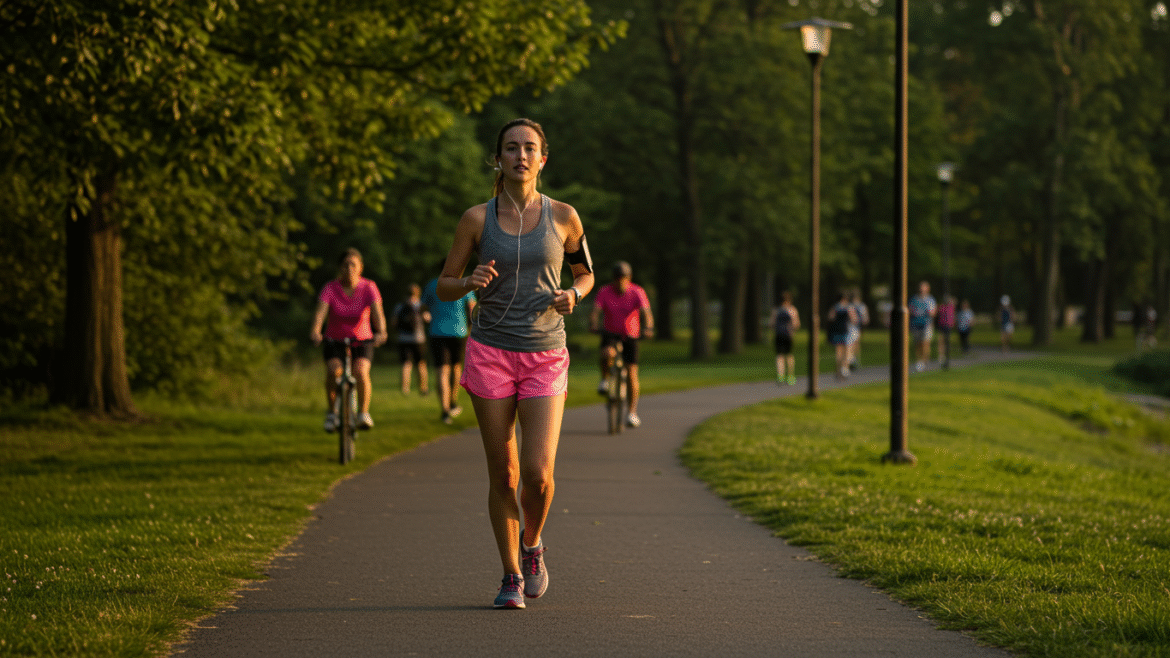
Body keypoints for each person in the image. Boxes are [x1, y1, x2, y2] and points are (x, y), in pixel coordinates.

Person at [435, 118, 595, 610]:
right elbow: (443, 283)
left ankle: (532, 545)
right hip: (491, 353)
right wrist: (469, 282)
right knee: (503, 475)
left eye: (530, 148)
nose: (520, 155)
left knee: (539, 475)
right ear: (498, 158)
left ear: (542, 158)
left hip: (546, 353)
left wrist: (574, 293)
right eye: (511, 148)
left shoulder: (565, 216)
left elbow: (587, 272)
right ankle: (509, 576)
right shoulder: (476, 220)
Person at [309, 248, 388, 431]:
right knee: (333, 371)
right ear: (339, 268)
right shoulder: (330, 288)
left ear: (360, 268)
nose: (349, 268)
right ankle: (332, 413)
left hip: (362, 340)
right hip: (334, 340)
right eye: (345, 264)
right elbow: (320, 314)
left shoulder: (369, 287)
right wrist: (315, 331)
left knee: (360, 371)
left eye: (353, 264)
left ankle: (363, 413)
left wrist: (382, 331)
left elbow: (378, 314)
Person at [589, 261, 655, 427]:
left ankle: (632, 413)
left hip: (631, 336)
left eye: (624, 278)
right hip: (610, 333)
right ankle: (605, 380)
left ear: (629, 278)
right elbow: (595, 311)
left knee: (632, 373)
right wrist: (593, 324)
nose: (620, 281)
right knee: (607, 354)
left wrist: (648, 328)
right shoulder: (605, 291)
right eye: (618, 278)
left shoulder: (637, 291)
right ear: (613, 278)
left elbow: (646, 313)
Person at [420, 272, 476, 424]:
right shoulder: (465, 283)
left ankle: (445, 410)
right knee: (456, 368)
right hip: (460, 331)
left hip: (437, 332)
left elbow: (423, 307)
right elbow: (472, 309)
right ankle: (452, 401)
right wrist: (473, 327)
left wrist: (426, 314)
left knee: (442, 371)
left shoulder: (432, 284)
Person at [391, 283, 431, 395]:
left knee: (406, 364)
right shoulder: (421, 305)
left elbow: (394, 322)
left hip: (403, 338)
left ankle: (405, 389)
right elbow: (428, 319)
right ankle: (423, 388)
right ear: (418, 293)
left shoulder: (400, 306)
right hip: (419, 339)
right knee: (421, 364)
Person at [768, 291, 800, 385]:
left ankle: (780, 376)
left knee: (779, 356)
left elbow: (771, 324)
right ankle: (790, 376)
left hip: (779, 335)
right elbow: (796, 324)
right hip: (788, 335)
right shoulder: (792, 310)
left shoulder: (776, 310)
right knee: (789, 355)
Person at [827, 291, 858, 379]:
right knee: (847, 351)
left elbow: (830, 317)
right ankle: (845, 369)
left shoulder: (835, 307)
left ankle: (838, 371)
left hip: (836, 331)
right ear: (845, 298)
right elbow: (854, 319)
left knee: (838, 353)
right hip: (846, 331)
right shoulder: (849, 307)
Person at [909, 280, 937, 372]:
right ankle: (919, 361)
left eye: (924, 287)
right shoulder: (914, 299)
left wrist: (930, 312)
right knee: (917, 344)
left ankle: (925, 360)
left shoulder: (930, 299)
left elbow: (934, 312)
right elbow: (910, 310)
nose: (922, 289)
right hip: (916, 323)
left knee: (925, 343)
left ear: (927, 289)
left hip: (927, 324)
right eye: (921, 287)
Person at [847, 288, 869, 371]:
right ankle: (854, 360)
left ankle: (853, 360)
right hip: (856, 327)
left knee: (851, 344)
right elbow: (865, 318)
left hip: (852, 327)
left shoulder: (850, 305)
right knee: (855, 344)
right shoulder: (861, 306)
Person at [936, 294, 956, 369]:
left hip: (948, 326)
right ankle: (941, 356)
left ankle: (946, 355)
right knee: (941, 341)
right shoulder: (942, 307)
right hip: (942, 326)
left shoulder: (951, 307)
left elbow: (954, 301)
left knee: (947, 342)